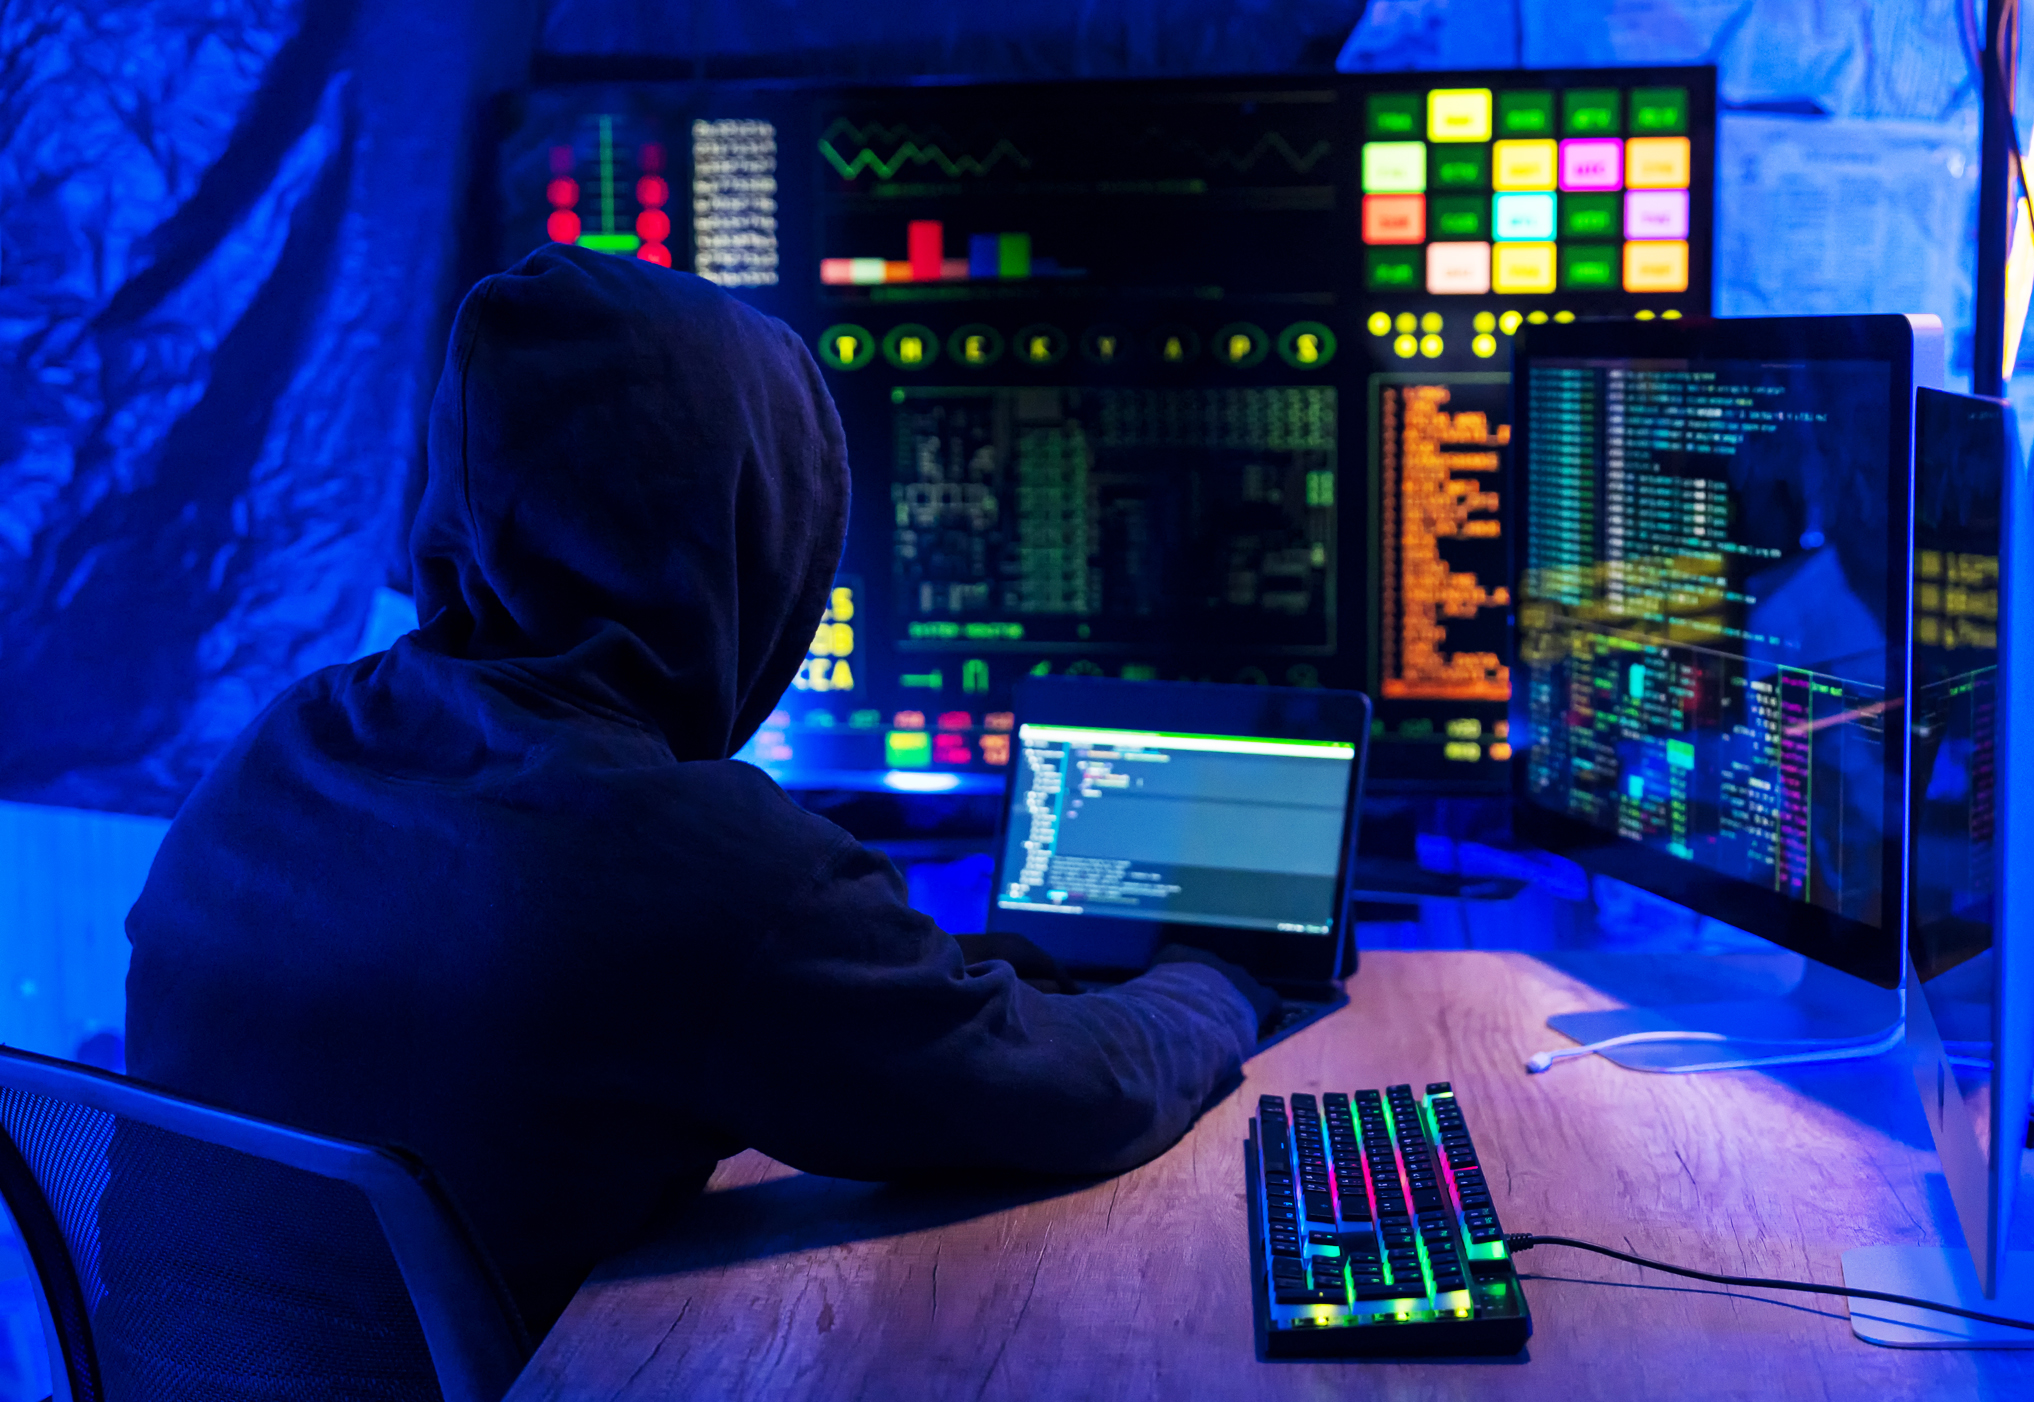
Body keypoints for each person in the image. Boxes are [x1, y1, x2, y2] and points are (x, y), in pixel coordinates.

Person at [120, 244, 1268, 1355]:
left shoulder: (286, 745)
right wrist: (1212, 989)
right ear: (750, 536)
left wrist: (988, 965)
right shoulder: (695, 862)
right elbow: (1066, 1094)